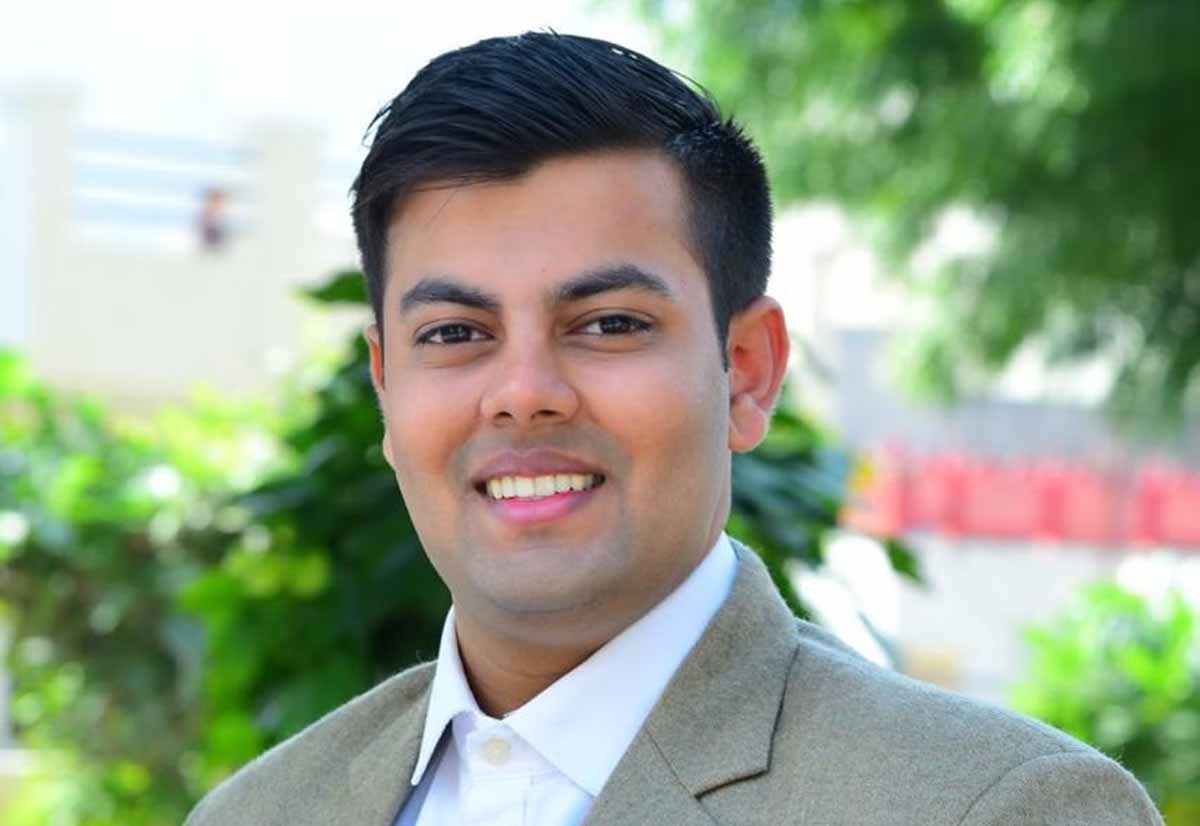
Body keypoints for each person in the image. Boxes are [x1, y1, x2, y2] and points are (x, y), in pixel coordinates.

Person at [183, 32, 1163, 826]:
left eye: (609, 324)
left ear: (747, 371)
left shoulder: (994, 807)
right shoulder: (260, 812)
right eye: (455, 333)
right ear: (387, 389)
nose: (524, 393)